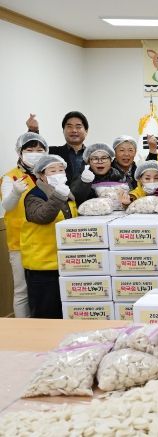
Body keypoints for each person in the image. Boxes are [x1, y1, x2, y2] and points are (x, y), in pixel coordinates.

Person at [21, 155, 77, 319]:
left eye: (61, 170)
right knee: (46, 314)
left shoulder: (66, 193)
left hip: (65, 264)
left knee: (64, 312)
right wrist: (58, 195)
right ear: (41, 175)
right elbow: (42, 216)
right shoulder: (35, 196)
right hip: (43, 267)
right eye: (52, 171)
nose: (58, 173)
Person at [1, 133, 48, 318]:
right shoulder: (10, 177)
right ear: (20, 152)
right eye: (30, 150)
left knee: (44, 287)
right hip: (20, 242)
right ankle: (22, 326)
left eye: (39, 150)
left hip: (45, 241)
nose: (35, 153)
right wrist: (14, 193)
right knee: (22, 290)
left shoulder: (48, 174)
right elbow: (7, 205)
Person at [47, 111, 89, 182]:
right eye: (69, 126)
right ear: (63, 130)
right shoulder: (51, 152)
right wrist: (33, 131)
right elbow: (33, 156)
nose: (74, 130)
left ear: (86, 131)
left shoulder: (93, 155)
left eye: (78, 127)